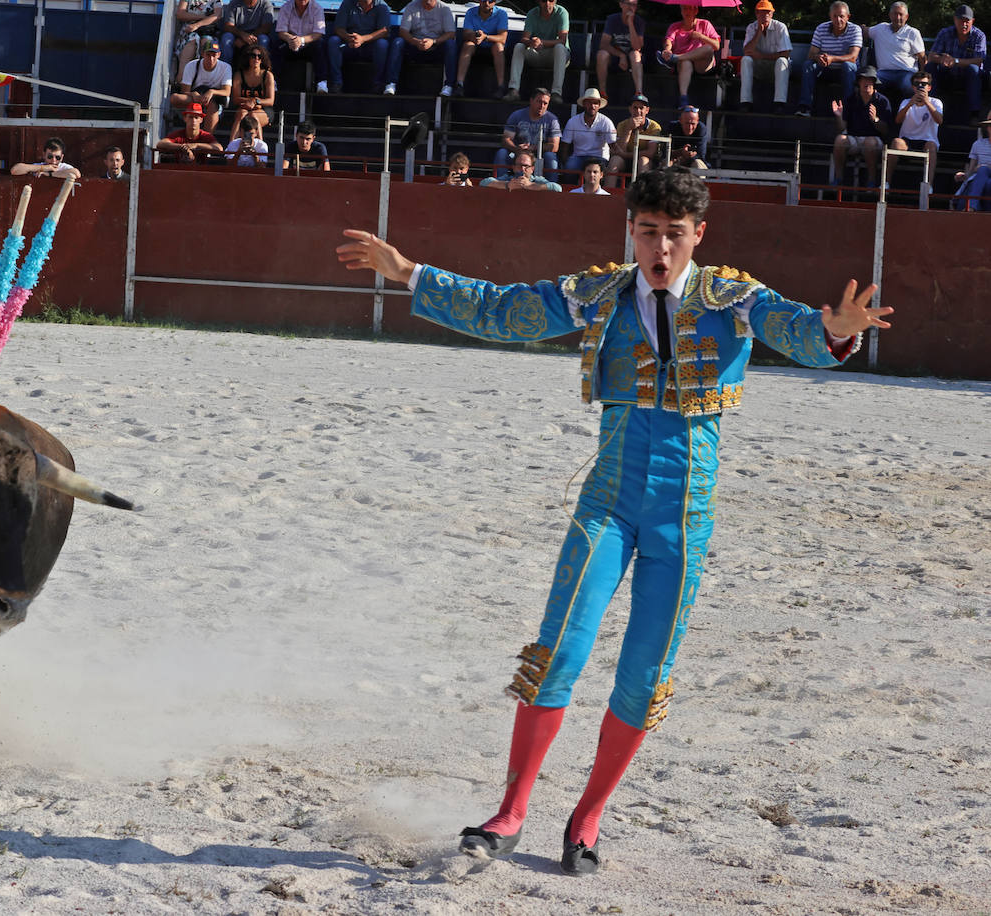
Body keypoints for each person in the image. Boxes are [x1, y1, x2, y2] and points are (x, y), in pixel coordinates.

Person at [335, 166, 891, 877]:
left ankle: (588, 817)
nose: (661, 248)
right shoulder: (598, 292)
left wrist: (833, 331)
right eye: (649, 232)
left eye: (675, 235)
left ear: (699, 237)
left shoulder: (736, 300)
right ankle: (510, 813)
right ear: (631, 230)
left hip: (683, 521)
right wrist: (410, 272)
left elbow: (798, 328)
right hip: (609, 502)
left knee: (644, 676)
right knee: (559, 647)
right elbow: (506, 310)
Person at [796, 1, 862, 117]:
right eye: (835, 16)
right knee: (808, 65)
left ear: (848, 17)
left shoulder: (855, 30)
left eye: (841, 16)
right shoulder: (821, 28)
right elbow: (811, 54)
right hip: (825, 68)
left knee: (849, 66)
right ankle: (805, 107)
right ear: (830, 16)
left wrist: (832, 58)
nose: (838, 20)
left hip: (845, 71)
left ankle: (848, 109)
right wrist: (819, 57)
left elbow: (853, 57)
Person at [831, 65, 893, 186]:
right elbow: (842, 128)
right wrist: (839, 115)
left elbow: (886, 130)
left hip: (875, 141)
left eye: (870, 80)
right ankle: (838, 179)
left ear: (875, 83)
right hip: (854, 138)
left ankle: (871, 181)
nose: (867, 83)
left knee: (869, 142)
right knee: (839, 140)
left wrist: (875, 120)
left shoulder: (883, 101)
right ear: (859, 82)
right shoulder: (850, 100)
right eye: (864, 79)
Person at [927, 5, 985, 125]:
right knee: (930, 67)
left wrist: (955, 61)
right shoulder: (945, 33)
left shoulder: (979, 36)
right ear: (955, 20)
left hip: (968, 79)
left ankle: (974, 114)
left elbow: (979, 60)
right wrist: (943, 59)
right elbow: (931, 56)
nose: (964, 24)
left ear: (972, 21)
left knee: (973, 70)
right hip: (947, 76)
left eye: (967, 21)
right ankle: (928, 109)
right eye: (961, 20)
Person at [657, 4, 719, 110]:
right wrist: (667, 50)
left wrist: (701, 36)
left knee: (708, 49)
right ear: (681, 11)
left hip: (702, 64)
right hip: (684, 64)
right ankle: (683, 98)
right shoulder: (675, 26)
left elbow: (716, 46)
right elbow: (668, 41)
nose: (687, 11)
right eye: (684, 8)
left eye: (690, 8)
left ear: (696, 11)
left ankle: (676, 58)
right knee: (686, 62)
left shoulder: (705, 24)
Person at [326, 0, 393, 95]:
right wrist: (349, 38)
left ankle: (378, 85)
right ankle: (336, 83)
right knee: (333, 41)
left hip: (370, 46)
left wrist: (363, 39)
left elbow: (384, 31)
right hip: (350, 44)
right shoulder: (347, 3)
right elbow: (338, 28)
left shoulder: (382, 6)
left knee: (382, 44)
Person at [507, 0, 568, 103]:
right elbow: (524, 38)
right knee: (519, 46)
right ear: (539, 1)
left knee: (560, 48)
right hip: (537, 54)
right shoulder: (532, 13)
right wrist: (532, 42)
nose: (548, 4)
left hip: (555, 56)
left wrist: (541, 42)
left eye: (551, 1)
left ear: (555, 1)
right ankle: (513, 90)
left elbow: (562, 40)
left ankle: (556, 93)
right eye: (544, 1)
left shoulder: (562, 12)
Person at [396, 0, 457, 97]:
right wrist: (416, 42)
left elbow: (451, 33)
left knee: (451, 44)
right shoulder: (411, 6)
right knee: (398, 42)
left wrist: (433, 42)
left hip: (436, 47)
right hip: (415, 46)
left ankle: (449, 85)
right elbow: (403, 31)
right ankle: (391, 83)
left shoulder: (444, 9)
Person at [738, 0, 791, 113]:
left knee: (782, 61)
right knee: (745, 60)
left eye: (768, 12)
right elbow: (747, 51)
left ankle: (779, 104)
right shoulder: (751, 27)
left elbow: (786, 53)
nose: (765, 15)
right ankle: (745, 102)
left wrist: (761, 56)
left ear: (772, 14)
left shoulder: (780, 27)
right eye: (762, 12)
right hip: (759, 67)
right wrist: (758, 33)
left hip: (775, 67)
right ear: (756, 13)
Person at [172, 37, 232, 134]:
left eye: (214, 55)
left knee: (212, 105)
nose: (211, 59)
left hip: (213, 101)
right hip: (195, 99)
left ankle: (207, 138)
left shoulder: (226, 67)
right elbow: (184, 90)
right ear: (203, 54)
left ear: (219, 55)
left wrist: (211, 92)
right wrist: (193, 94)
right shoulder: (191, 65)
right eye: (208, 55)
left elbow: (227, 91)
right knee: (174, 98)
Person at [497, 87, 560, 178]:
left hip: (540, 154)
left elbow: (554, 146)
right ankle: (500, 183)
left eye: (545, 103)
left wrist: (533, 148)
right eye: (539, 101)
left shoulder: (552, 119)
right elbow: (506, 139)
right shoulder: (516, 115)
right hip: (517, 152)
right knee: (501, 153)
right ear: (531, 101)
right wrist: (517, 149)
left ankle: (551, 188)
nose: (542, 106)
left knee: (550, 156)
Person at [890, 72, 940, 183]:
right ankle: (886, 183)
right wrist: (910, 104)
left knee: (931, 147)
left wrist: (926, 102)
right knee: (896, 142)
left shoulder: (936, 102)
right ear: (913, 87)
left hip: (927, 141)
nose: (920, 86)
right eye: (917, 84)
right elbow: (898, 120)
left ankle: (928, 186)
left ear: (929, 87)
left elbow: (939, 120)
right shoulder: (906, 102)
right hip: (907, 141)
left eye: (924, 84)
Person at [868, 2, 925, 98]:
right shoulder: (880, 29)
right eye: (895, 14)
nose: (897, 17)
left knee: (908, 86)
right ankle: (874, 111)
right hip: (884, 73)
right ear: (890, 15)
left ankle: (907, 111)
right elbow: (863, 31)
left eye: (901, 14)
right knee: (870, 84)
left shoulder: (913, 33)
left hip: (906, 72)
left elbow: (922, 58)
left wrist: (922, 77)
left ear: (906, 16)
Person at [454, 0, 508, 99]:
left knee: (499, 47)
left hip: (492, 46)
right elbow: (466, 34)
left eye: (490, 1)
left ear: (495, 2)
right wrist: (474, 36)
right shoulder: (470, 12)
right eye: (483, 0)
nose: (486, 3)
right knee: (467, 45)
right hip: (474, 45)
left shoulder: (502, 14)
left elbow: (503, 38)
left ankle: (501, 87)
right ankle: (459, 85)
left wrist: (485, 37)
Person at [271, 0, 327, 93]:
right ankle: (273, 82)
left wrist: (301, 40)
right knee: (277, 45)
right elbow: (281, 31)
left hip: (308, 44)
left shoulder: (317, 8)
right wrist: (291, 39)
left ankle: (322, 83)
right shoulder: (286, 7)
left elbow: (318, 33)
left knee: (320, 45)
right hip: (289, 43)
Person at [606, 93, 661, 184]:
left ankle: (641, 195)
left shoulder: (654, 127)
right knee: (615, 160)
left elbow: (650, 153)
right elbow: (619, 150)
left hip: (645, 162)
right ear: (630, 109)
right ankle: (607, 195)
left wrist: (625, 154)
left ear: (647, 110)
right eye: (635, 108)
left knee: (643, 160)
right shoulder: (622, 125)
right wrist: (629, 129)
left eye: (641, 108)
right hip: (626, 161)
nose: (638, 111)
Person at [595, 0, 645, 99]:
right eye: (629, 4)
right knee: (601, 54)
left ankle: (639, 93)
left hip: (632, 58)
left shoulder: (639, 22)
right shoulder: (612, 19)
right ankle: (602, 93)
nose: (631, 7)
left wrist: (630, 23)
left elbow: (637, 47)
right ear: (621, 4)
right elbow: (604, 44)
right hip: (614, 56)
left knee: (635, 54)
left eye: (634, 5)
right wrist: (621, 55)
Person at [562, 87, 615, 174]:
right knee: (570, 166)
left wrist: (609, 166)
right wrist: (565, 163)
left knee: (596, 170)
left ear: (599, 106)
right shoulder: (573, 121)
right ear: (584, 104)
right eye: (589, 103)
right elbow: (564, 147)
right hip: (578, 157)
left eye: (595, 103)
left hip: (599, 158)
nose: (592, 106)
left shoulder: (606, 122)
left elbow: (613, 147)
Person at [227, 42, 274, 139]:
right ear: (248, 58)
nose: (256, 58)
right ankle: (230, 149)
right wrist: (248, 102)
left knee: (253, 116)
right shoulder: (239, 75)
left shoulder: (267, 75)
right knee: (242, 114)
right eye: (253, 56)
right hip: (244, 107)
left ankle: (261, 150)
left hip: (264, 110)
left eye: (259, 56)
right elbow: (235, 99)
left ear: (262, 59)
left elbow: (270, 101)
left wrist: (255, 101)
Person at [154, 101, 223, 163]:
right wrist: (183, 147)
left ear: (201, 120)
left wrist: (196, 145)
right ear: (185, 118)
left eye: (196, 117)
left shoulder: (205, 136)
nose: (193, 121)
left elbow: (219, 148)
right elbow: (160, 144)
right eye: (190, 117)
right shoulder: (178, 134)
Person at [173, 0, 222, 80]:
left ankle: (203, 81)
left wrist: (198, 25)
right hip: (189, 30)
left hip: (208, 31)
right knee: (192, 40)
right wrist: (201, 17)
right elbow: (180, 14)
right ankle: (181, 78)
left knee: (207, 44)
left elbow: (217, 16)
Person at [220, 0, 273, 70]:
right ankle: (225, 71)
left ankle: (263, 72)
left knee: (264, 39)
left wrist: (247, 38)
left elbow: (266, 27)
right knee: (226, 38)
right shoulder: (233, 3)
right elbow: (228, 26)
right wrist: (242, 35)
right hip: (237, 36)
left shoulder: (266, 4)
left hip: (256, 36)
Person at [952, 116, 991, 209]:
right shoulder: (978, 144)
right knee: (986, 182)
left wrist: (984, 166)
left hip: (982, 172)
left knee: (984, 171)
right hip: (980, 176)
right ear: (988, 128)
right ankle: (971, 208)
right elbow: (971, 169)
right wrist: (964, 175)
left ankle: (972, 206)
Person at [479, 148, 561, 190]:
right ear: (514, 168)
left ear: (532, 169)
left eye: (526, 166)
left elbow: (558, 188)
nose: (522, 169)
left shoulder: (537, 180)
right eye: (519, 165)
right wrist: (507, 185)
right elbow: (484, 182)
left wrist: (533, 186)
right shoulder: (508, 178)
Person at [12, 137, 82, 177]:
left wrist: (49, 174)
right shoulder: (39, 166)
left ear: (62, 157)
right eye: (50, 156)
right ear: (44, 155)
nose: (54, 160)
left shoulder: (64, 167)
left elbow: (76, 173)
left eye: (57, 157)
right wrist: (44, 168)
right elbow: (15, 170)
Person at [668, 104, 708, 169]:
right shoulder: (672, 127)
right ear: (680, 120)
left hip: (692, 161)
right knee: (666, 163)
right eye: (687, 123)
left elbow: (701, 155)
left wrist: (689, 155)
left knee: (699, 164)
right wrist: (680, 152)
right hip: (675, 160)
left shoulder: (701, 129)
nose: (690, 127)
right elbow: (664, 152)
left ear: (697, 121)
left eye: (693, 124)